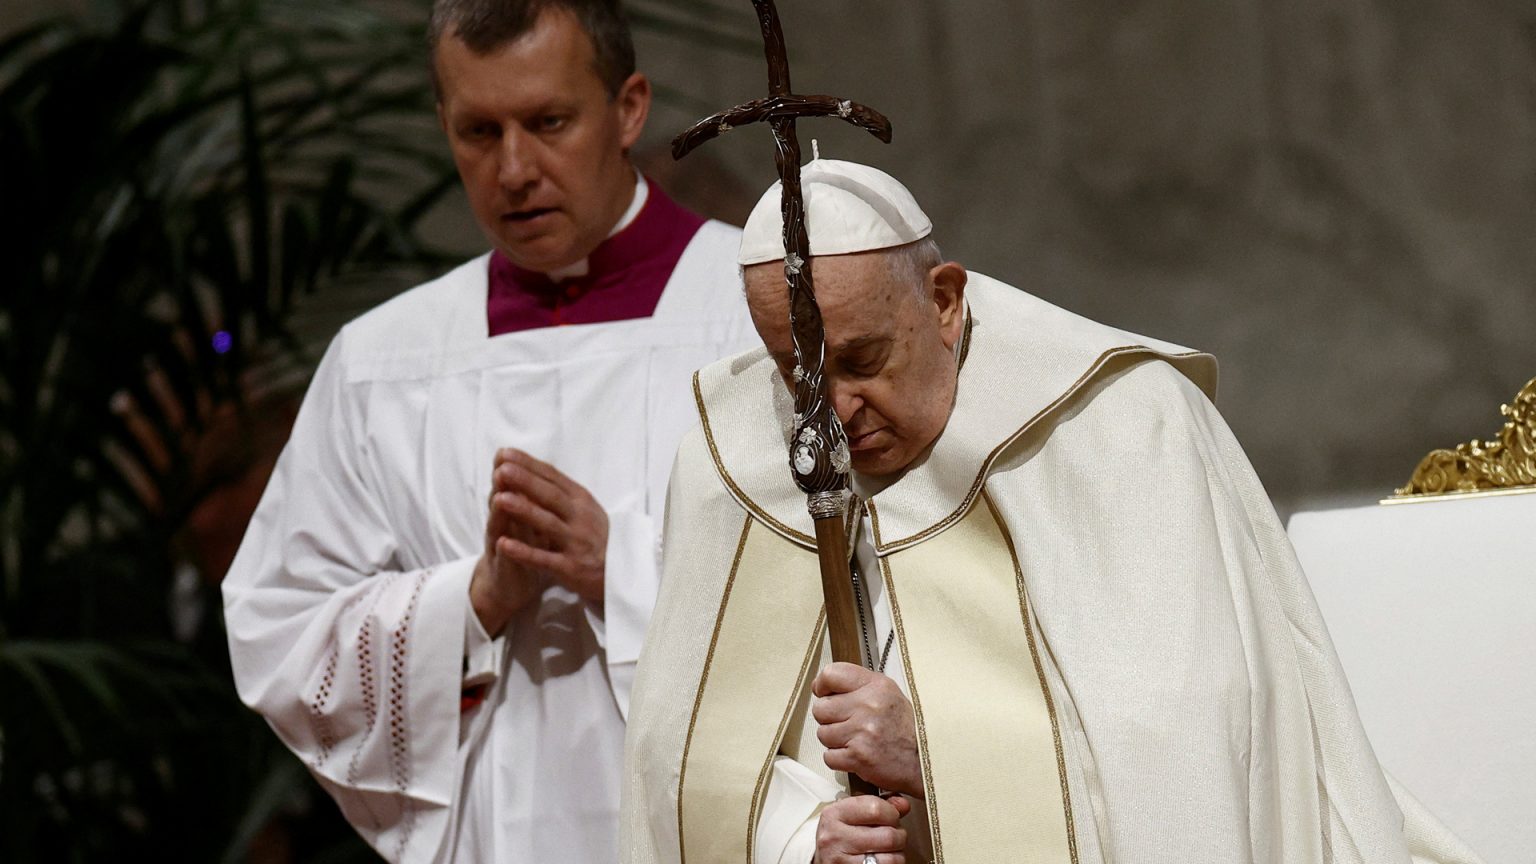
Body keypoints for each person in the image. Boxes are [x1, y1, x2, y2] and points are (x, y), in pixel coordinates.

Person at [621, 159, 1484, 864]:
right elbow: (681, 757)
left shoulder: (1120, 429)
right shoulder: (739, 453)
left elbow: (1188, 761)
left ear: (946, 300)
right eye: (796, 373)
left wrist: (935, 758)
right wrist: (799, 836)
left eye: (864, 359)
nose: (832, 412)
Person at [221, 0, 755, 860]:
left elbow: (861, 591)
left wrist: (614, 568)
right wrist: (471, 603)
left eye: (548, 122)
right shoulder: (383, 363)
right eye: (477, 131)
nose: (513, 169)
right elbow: (277, 633)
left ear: (629, 109)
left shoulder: (758, 314)